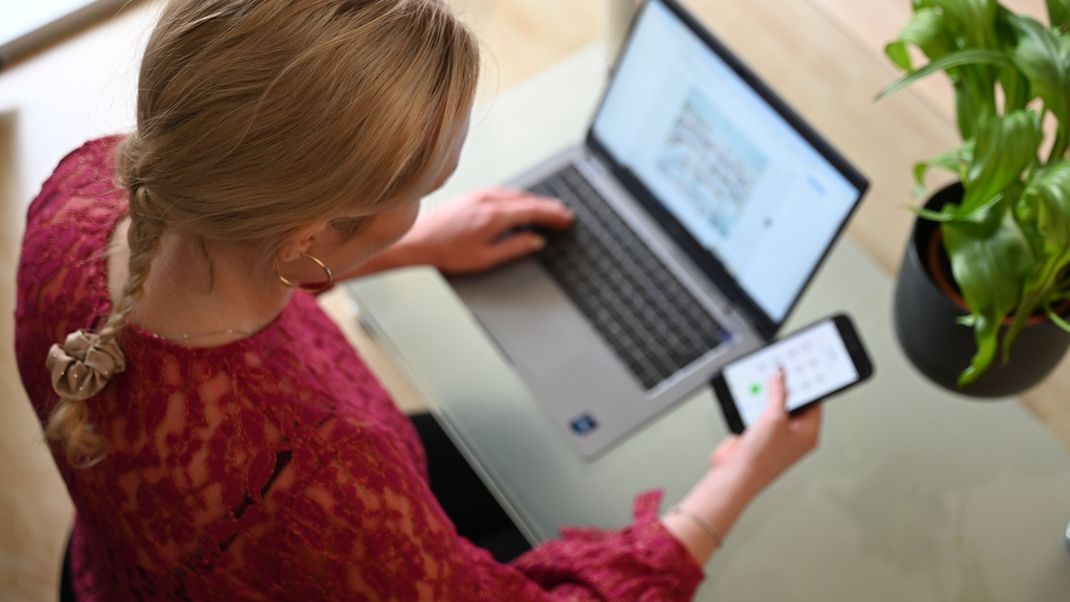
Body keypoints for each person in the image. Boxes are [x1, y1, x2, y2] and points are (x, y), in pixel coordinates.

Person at [14, 0, 821, 599]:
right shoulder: (322, 474)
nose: (432, 200)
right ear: (306, 233)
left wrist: (419, 238)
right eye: (425, 185)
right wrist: (731, 486)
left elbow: (231, 267)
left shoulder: (87, 194)